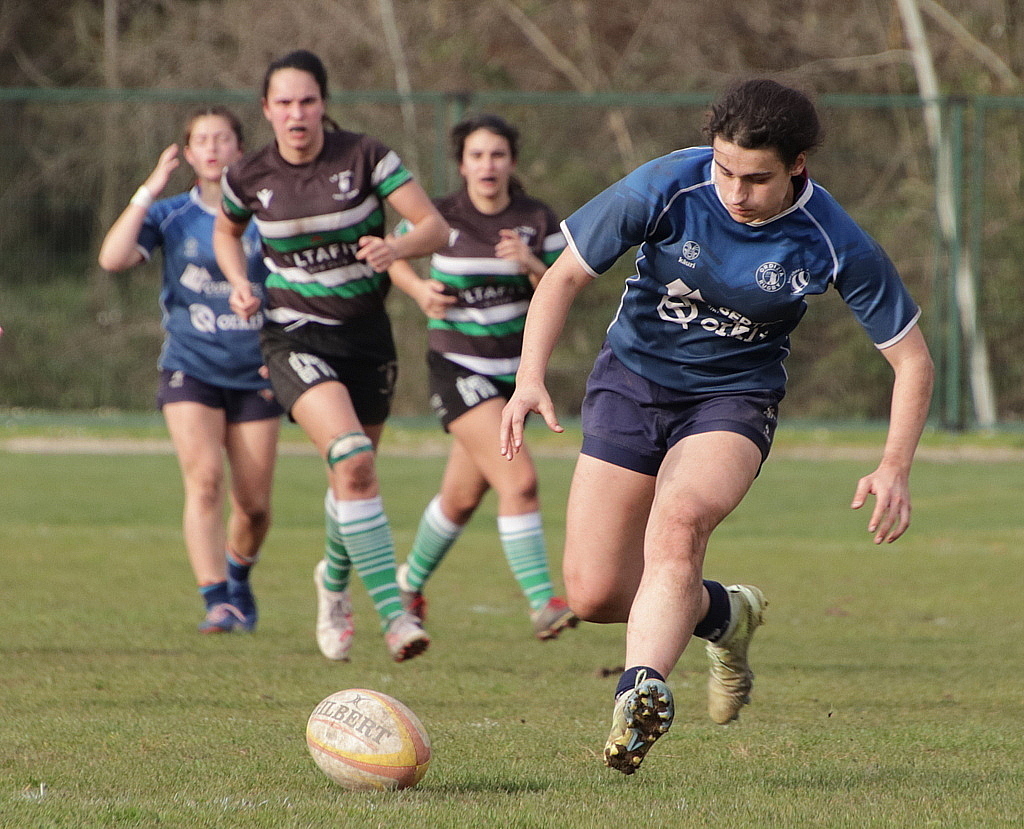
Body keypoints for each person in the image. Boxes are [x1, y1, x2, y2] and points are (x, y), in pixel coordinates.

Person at [500, 79, 934, 774]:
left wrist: (894, 464)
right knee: (593, 592)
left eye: (756, 178)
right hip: (630, 383)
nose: (734, 191)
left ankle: (637, 691)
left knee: (679, 522)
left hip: (733, 400)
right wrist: (528, 379)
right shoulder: (666, 185)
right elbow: (562, 279)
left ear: (798, 166)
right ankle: (723, 614)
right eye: (724, 169)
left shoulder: (830, 237)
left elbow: (911, 359)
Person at [213, 50, 449, 663]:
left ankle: (334, 583)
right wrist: (240, 281)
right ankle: (394, 617)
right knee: (351, 458)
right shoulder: (249, 176)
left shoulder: (367, 156)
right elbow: (225, 229)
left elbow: (434, 227)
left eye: (308, 101)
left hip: (365, 338)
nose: (297, 114)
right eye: (284, 103)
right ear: (266, 110)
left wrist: (397, 251)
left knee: (353, 474)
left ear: (324, 105)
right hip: (292, 336)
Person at [388, 114, 577, 641]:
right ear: (462, 163)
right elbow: (391, 253)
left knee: (461, 499)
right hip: (457, 366)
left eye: (497, 154)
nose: (487, 165)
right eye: (476, 155)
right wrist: (419, 291)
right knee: (519, 480)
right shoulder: (441, 215)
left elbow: (563, 287)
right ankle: (543, 601)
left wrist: (530, 264)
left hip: (513, 378)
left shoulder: (536, 219)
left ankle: (407, 587)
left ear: (512, 162)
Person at [98, 106, 282, 634]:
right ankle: (216, 600)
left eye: (223, 138)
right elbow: (112, 258)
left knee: (254, 508)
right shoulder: (172, 213)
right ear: (188, 151)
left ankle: (239, 580)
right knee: (204, 482)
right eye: (202, 139)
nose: (212, 147)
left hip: (257, 372)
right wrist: (148, 189)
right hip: (191, 368)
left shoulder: (265, 216)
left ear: (239, 151)